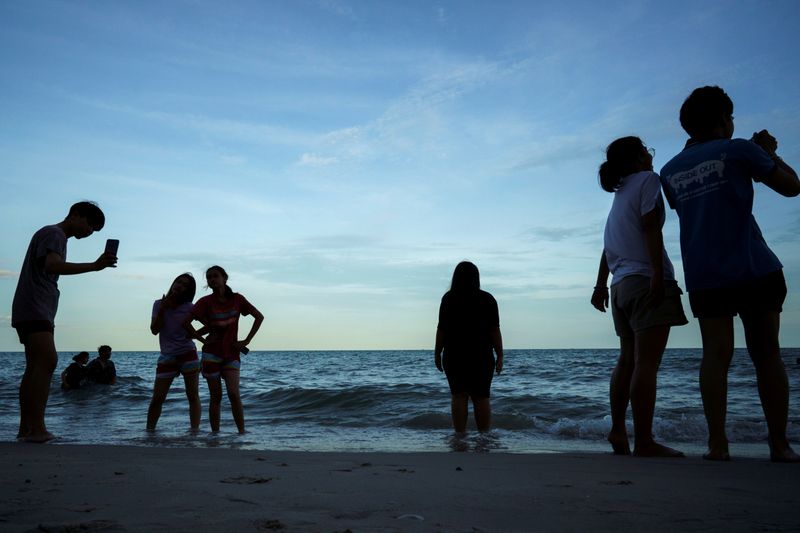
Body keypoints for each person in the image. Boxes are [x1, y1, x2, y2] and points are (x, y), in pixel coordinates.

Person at [660, 86, 800, 462]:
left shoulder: (669, 170)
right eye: (730, 117)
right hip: (754, 266)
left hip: (704, 273)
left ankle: (717, 445)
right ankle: (779, 444)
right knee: (767, 354)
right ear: (724, 118)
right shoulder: (740, 148)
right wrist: (768, 152)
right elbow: (792, 187)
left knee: (715, 356)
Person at [591, 136, 688, 457]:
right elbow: (650, 226)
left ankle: (619, 431)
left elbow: (609, 246)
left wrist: (600, 285)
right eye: (647, 150)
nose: (650, 155)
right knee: (647, 363)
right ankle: (644, 440)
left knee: (627, 360)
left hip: (620, 286)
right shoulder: (647, 180)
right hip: (645, 280)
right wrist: (658, 275)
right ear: (637, 158)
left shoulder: (620, 195)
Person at [12, 201, 117, 442]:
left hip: (35, 308)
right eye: (90, 224)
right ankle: (37, 428)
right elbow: (52, 265)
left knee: (34, 367)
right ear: (76, 215)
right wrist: (95, 266)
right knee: (48, 361)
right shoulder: (55, 233)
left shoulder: (55, 236)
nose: (89, 231)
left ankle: (26, 429)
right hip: (35, 307)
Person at [183, 266, 263, 433]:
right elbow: (186, 322)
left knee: (234, 394)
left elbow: (259, 316)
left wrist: (246, 341)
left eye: (215, 276)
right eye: (209, 277)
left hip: (232, 354)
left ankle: (242, 433)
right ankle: (215, 435)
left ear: (224, 278)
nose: (212, 279)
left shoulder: (238, 299)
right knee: (216, 396)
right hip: (211, 354)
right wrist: (202, 339)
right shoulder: (205, 302)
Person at [434, 261, 504, 434]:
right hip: (481, 356)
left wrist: (437, 353)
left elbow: (441, 329)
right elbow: (494, 330)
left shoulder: (449, 298)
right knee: (481, 397)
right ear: (477, 278)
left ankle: (460, 436)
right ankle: (484, 437)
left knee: (459, 396)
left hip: (454, 355)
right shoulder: (487, 299)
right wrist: (500, 355)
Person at [146, 273, 202, 431]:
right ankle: (149, 432)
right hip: (167, 356)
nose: (180, 286)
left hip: (188, 354)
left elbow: (208, 323)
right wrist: (163, 309)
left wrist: (197, 335)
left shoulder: (190, 307)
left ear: (188, 291)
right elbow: (154, 330)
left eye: (185, 285)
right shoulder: (158, 304)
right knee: (157, 398)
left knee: (193, 396)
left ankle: (194, 432)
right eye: (179, 282)